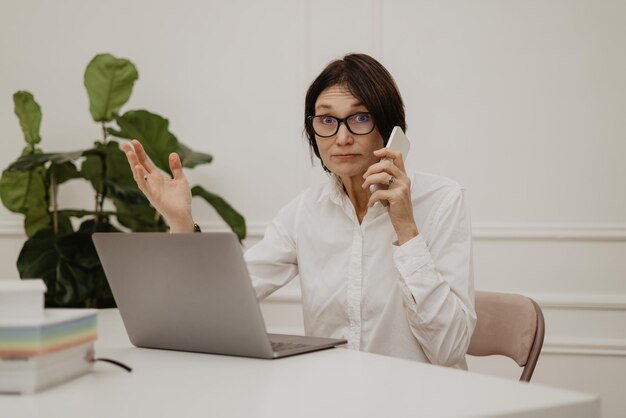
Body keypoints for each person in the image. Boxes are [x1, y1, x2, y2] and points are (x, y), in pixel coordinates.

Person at [122, 53, 476, 368]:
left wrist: (405, 226)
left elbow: (449, 349)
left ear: (391, 128)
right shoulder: (304, 212)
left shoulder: (443, 201)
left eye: (361, 118)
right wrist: (181, 222)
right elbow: (218, 301)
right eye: (326, 120)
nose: (341, 137)